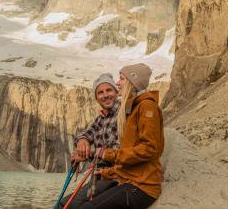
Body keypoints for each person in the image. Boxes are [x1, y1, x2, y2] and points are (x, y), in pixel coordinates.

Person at [79, 63, 164, 209]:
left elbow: (149, 149)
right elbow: (130, 160)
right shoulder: (134, 108)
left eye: (122, 79)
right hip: (130, 181)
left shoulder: (146, 107)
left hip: (142, 186)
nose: (118, 83)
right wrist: (105, 172)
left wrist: (107, 154)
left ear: (133, 81)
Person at [56, 73, 120, 209]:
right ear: (97, 98)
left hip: (114, 176)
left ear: (116, 91)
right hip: (98, 178)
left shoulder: (123, 115)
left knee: (65, 206)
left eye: (109, 90)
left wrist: (86, 155)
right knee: (62, 205)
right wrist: (82, 141)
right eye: (100, 93)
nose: (105, 95)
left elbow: (118, 151)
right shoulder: (100, 119)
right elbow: (85, 134)